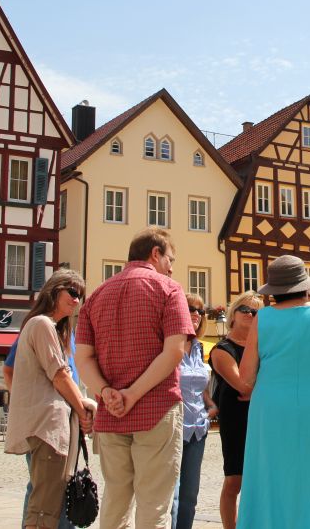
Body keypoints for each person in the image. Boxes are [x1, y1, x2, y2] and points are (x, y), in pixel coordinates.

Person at [75, 227, 194, 529]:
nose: (171, 267)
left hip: (111, 413)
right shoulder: (169, 289)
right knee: (154, 503)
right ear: (156, 253)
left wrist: (106, 392)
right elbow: (175, 351)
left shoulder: (96, 295)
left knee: (116, 498)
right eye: (170, 259)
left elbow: (83, 358)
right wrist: (134, 394)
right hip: (156, 408)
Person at [236, 255, 310, 528]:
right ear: (305, 285)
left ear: (274, 290)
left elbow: (245, 377)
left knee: (272, 478)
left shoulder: (263, 318)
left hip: (272, 410)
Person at [5, 269, 95, 528]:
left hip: (53, 425)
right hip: (46, 426)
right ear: (55, 291)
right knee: (44, 506)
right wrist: (81, 409)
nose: (77, 300)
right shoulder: (42, 324)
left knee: (49, 501)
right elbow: (59, 375)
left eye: (81, 296)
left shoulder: (57, 330)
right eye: (73, 292)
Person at [210, 290, 261, 529]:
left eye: (256, 312)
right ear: (233, 314)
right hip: (236, 420)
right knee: (234, 480)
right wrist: (265, 387)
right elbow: (242, 385)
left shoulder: (263, 347)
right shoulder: (223, 349)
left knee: (260, 479)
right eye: (246, 310)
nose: (251, 315)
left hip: (262, 417)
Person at [171, 293, 218, 529]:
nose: (196, 314)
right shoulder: (170, 344)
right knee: (172, 495)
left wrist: (211, 407)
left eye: (201, 310)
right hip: (173, 429)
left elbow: (199, 387)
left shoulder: (199, 348)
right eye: (190, 308)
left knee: (190, 496)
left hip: (198, 431)